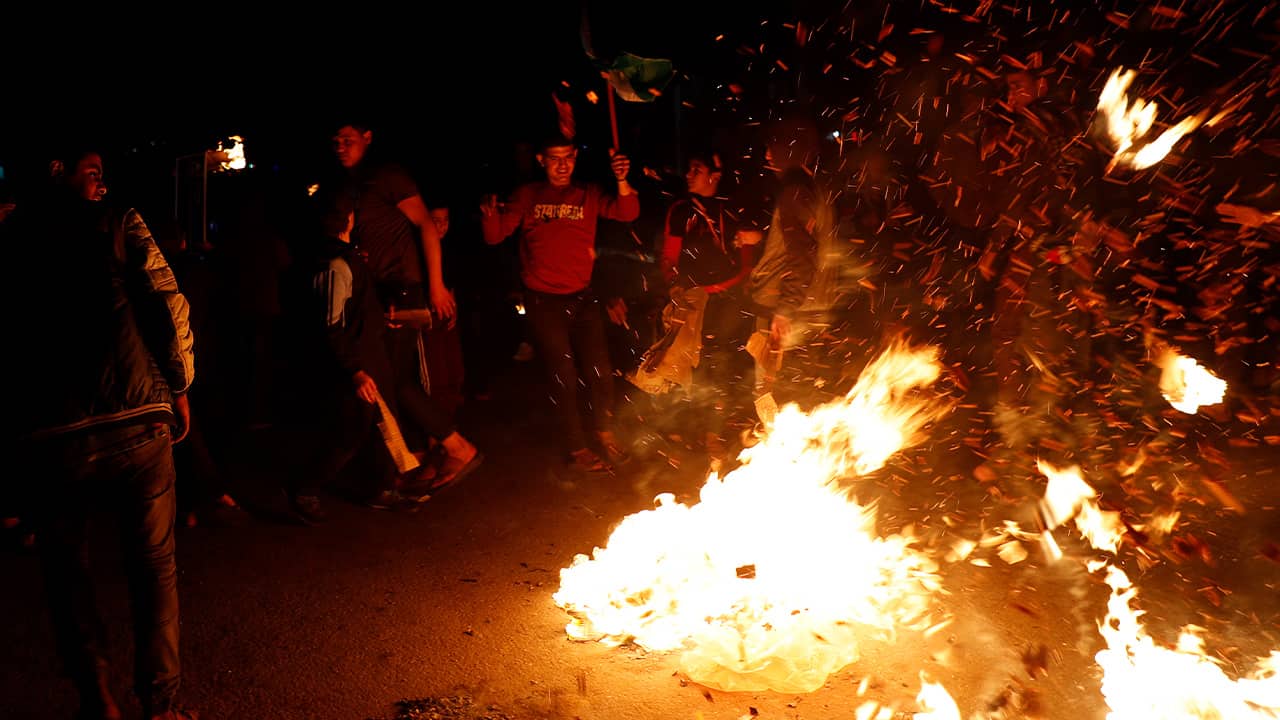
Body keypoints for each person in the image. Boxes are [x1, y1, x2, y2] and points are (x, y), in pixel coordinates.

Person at [6, 143, 197, 719]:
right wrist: (180, 384)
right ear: (55, 168)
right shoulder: (120, 223)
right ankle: (159, 706)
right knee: (154, 567)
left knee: (68, 570)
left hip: (52, 432)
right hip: (136, 417)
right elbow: (166, 304)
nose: (102, 183)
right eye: (92, 171)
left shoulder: (9, 241)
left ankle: (98, 701)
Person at [331, 120, 481, 505]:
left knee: (394, 380)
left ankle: (452, 448)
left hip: (402, 288)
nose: (341, 146)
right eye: (336, 141)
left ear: (368, 137)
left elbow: (427, 226)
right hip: (377, 292)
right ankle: (414, 461)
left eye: (349, 140)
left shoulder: (387, 175)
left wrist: (436, 285)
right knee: (392, 379)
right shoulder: (352, 185)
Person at [480, 133, 638, 472]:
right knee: (564, 373)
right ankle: (577, 447)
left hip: (581, 298)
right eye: (554, 158)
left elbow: (627, 212)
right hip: (544, 301)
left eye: (568, 157)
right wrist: (489, 214)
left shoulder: (589, 194)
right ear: (542, 161)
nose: (563, 165)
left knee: (600, 370)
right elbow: (495, 235)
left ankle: (605, 433)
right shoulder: (528, 195)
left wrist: (622, 180)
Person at [659, 149, 756, 467]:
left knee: (717, 363)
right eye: (689, 169)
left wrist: (721, 289)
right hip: (690, 297)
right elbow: (669, 256)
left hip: (725, 300)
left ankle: (713, 432)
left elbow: (745, 260)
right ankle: (680, 430)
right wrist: (674, 285)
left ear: (714, 175)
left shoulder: (731, 209)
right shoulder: (679, 210)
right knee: (683, 363)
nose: (688, 174)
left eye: (696, 169)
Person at [743, 113, 838, 415]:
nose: (767, 154)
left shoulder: (794, 192)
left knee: (770, 397)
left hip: (786, 309)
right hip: (809, 307)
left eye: (773, 145)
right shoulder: (813, 188)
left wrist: (784, 309)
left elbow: (803, 255)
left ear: (791, 149)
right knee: (800, 397)